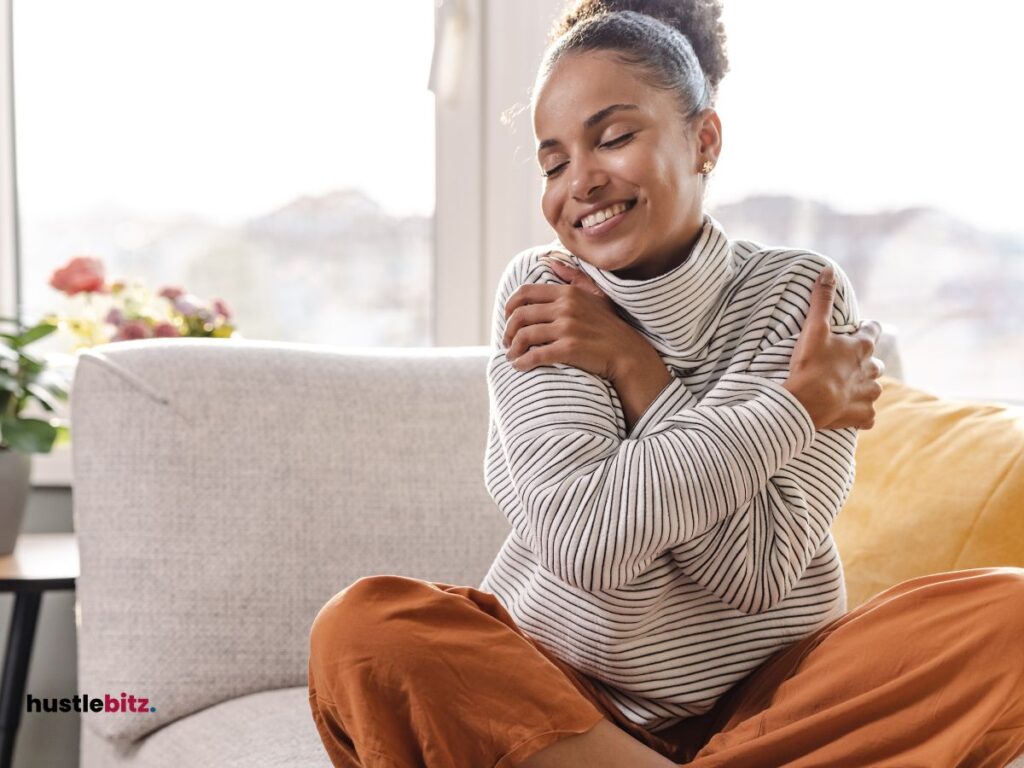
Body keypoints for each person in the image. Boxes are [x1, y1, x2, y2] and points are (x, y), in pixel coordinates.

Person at [306, 1, 1024, 766]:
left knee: (1010, 613)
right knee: (363, 631)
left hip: (769, 701)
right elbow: (588, 544)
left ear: (703, 139)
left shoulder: (798, 296)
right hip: (565, 700)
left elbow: (755, 573)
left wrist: (638, 370)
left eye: (613, 138)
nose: (579, 181)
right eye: (553, 162)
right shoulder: (544, 290)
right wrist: (794, 410)